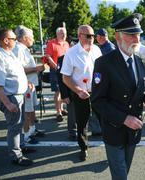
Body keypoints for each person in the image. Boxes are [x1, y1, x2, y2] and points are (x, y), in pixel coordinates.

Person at [91, 13, 145, 180]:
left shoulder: (141, 61)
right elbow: (97, 101)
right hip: (114, 128)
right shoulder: (104, 63)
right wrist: (124, 118)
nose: (136, 38)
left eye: (138, 34)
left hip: (134, 130)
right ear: (118, 36)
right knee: (121, 175)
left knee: (124, 170)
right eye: (131, 34)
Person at [0, 28, 36, 166]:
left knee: (20, 124)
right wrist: (7, 103)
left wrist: (27, 82)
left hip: (18, 95)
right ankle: (16, 155)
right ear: (6, 40)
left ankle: (21, 146)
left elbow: (16, 73)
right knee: (14, 126)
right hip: (10, 97)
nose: (16, 41)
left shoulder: (8, 54)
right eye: (14, 38)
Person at [61, 25, 102, 161]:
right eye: (88, 36)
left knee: (105, 118)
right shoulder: (71, 53)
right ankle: (83, 148)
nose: (92, 39)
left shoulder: (96, 50)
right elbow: (65, 77)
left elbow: (102, 70)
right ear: (79, 36)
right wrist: (78, 91)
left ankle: (111, 145)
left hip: (97, 92)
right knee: (82, 122)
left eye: (93, 36)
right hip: (80, 94)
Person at [13, 26, 45, 144]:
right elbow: (19, 69)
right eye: (31, 37)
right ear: (25, 38)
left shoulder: (23, 48)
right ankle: (26, 136)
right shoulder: (18, 49)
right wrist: (36, 68)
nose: (33, 39)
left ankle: (31, 130)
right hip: (25, 84)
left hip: (29, 84)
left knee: (30, 108)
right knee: (26, 110)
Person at [45, 27, 69, 122]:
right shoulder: (51, 43)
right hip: (55, 70)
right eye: (62, 33)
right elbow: (48, 56)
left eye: (65, 33)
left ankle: (62, 109)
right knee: (58, 91)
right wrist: (55, 66)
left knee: (64, 90)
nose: (64, 35)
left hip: (65, 70)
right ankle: (58, 112)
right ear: (57, 34)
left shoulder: (66, 44)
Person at [56, 55, 77, 141]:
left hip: (87, 88)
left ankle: (95, 129)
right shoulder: (64, 58)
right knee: (72, 112)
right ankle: (73, 132)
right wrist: (64, 95)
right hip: (71, 90)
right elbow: (60, 78)